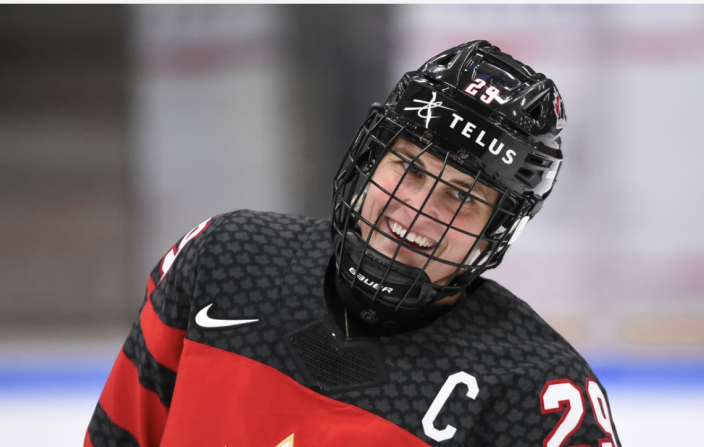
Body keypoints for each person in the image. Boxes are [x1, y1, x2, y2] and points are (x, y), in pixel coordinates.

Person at [85, 40, 621, 447]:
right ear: (369, 160)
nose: (417, 207)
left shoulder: (541, 397)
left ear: (496, 231)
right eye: (409, 167)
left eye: (462, 197)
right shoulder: (223, 260)